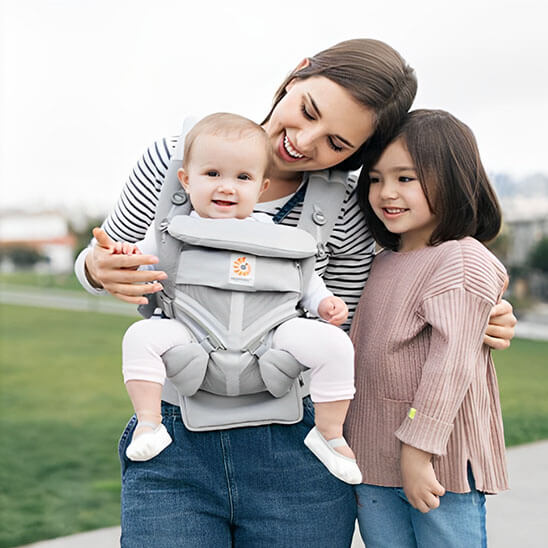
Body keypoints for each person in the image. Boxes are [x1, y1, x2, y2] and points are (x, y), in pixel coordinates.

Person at [75, 39, 515, 546]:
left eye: (336, 144)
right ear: (297, 73)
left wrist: (480, 311)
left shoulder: (350, 206)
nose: (304, 141)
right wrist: (97, 267)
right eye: (307, 111)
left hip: (296, 442)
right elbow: (102, 260)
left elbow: (374, 311)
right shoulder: (171, 159)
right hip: (177, 434)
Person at [105, 113, 361, 484]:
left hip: (273, 338)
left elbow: (306, 279)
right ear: (185, 179)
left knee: (335, 345)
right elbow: (139, 263)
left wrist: (323, 303)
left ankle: (329, 432)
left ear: (261, 188)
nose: (227, 187)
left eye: (242, 178)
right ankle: (149, 423)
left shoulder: (275, 234)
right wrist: (125, 261)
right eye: (212, 174)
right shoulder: (172, 230)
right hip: (191, 335)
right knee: (138, 338)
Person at [346, 109, 510, 547]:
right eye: (376, 179)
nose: (386, 193)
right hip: (373, 462)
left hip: (438, 466)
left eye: (406, 178)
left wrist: (417, 454)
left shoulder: (461, 259)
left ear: (453, 178)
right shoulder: (380, 263)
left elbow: (449, 368)